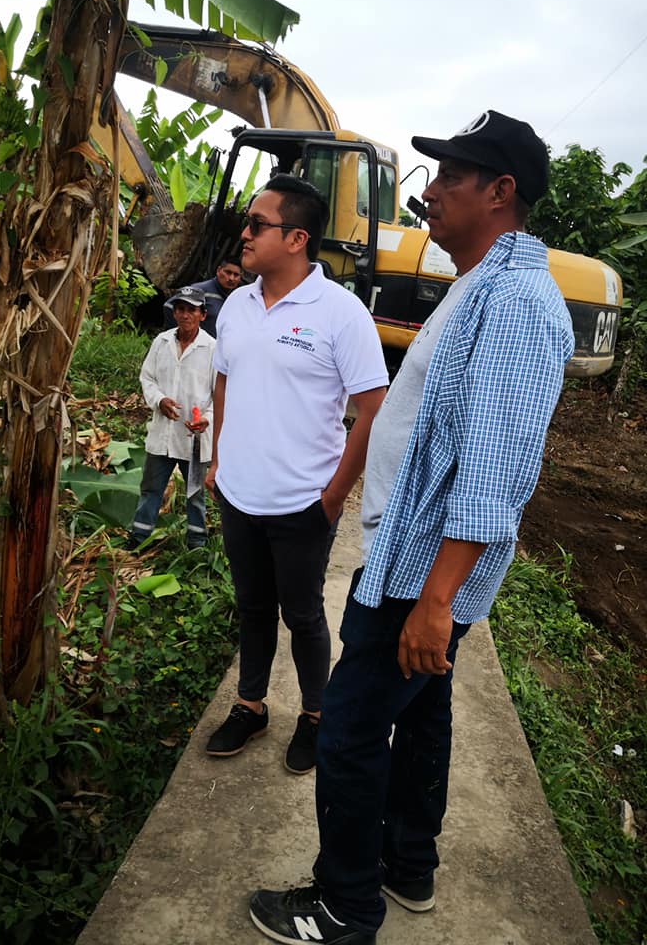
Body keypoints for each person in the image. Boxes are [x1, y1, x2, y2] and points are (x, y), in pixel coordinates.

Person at [248, 110, 576, 944]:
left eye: (450, 177)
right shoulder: (478, 284)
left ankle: (344, 907)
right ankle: (407, 866)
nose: (429, 192)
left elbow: (494, 467)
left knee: (351, 728)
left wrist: (437, 600)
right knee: (423, 710)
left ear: (500, 193)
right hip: (414, 555)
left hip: (420, 570)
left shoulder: (514, 302)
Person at [204, 174, 388, 775]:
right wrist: (218, 458)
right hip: (239, 495)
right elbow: (224, 381)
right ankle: (251, 705)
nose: (245, 233)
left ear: (296, 238)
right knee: (252, 607)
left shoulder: (341, 314)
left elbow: (373, 409)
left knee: (303, 614)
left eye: (257, 224)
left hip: (302, 504)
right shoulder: (237, 304)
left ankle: (315, 715)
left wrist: (333, 498)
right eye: (247, 222)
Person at [128, 286, 215, 551]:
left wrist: (207, 418)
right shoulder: (162, 342)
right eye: (180, 309)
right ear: (174, 312)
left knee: (195, 494)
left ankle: (197, 545)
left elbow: (220, 394)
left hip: (194, 435)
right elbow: (147, 378)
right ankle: (138, 539)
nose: (185, 315)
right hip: (163, 432)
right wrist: (159, 400)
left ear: (202, 315)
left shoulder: (212, 348)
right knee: (151, 488)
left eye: (191, 310)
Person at [163, 258, 243, 338]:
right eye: (228, 272)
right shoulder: (200, 290)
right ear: (218, 270)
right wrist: (181, 335)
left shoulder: (237, 297)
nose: (231, 278)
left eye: (236, 275)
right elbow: (168, 306)